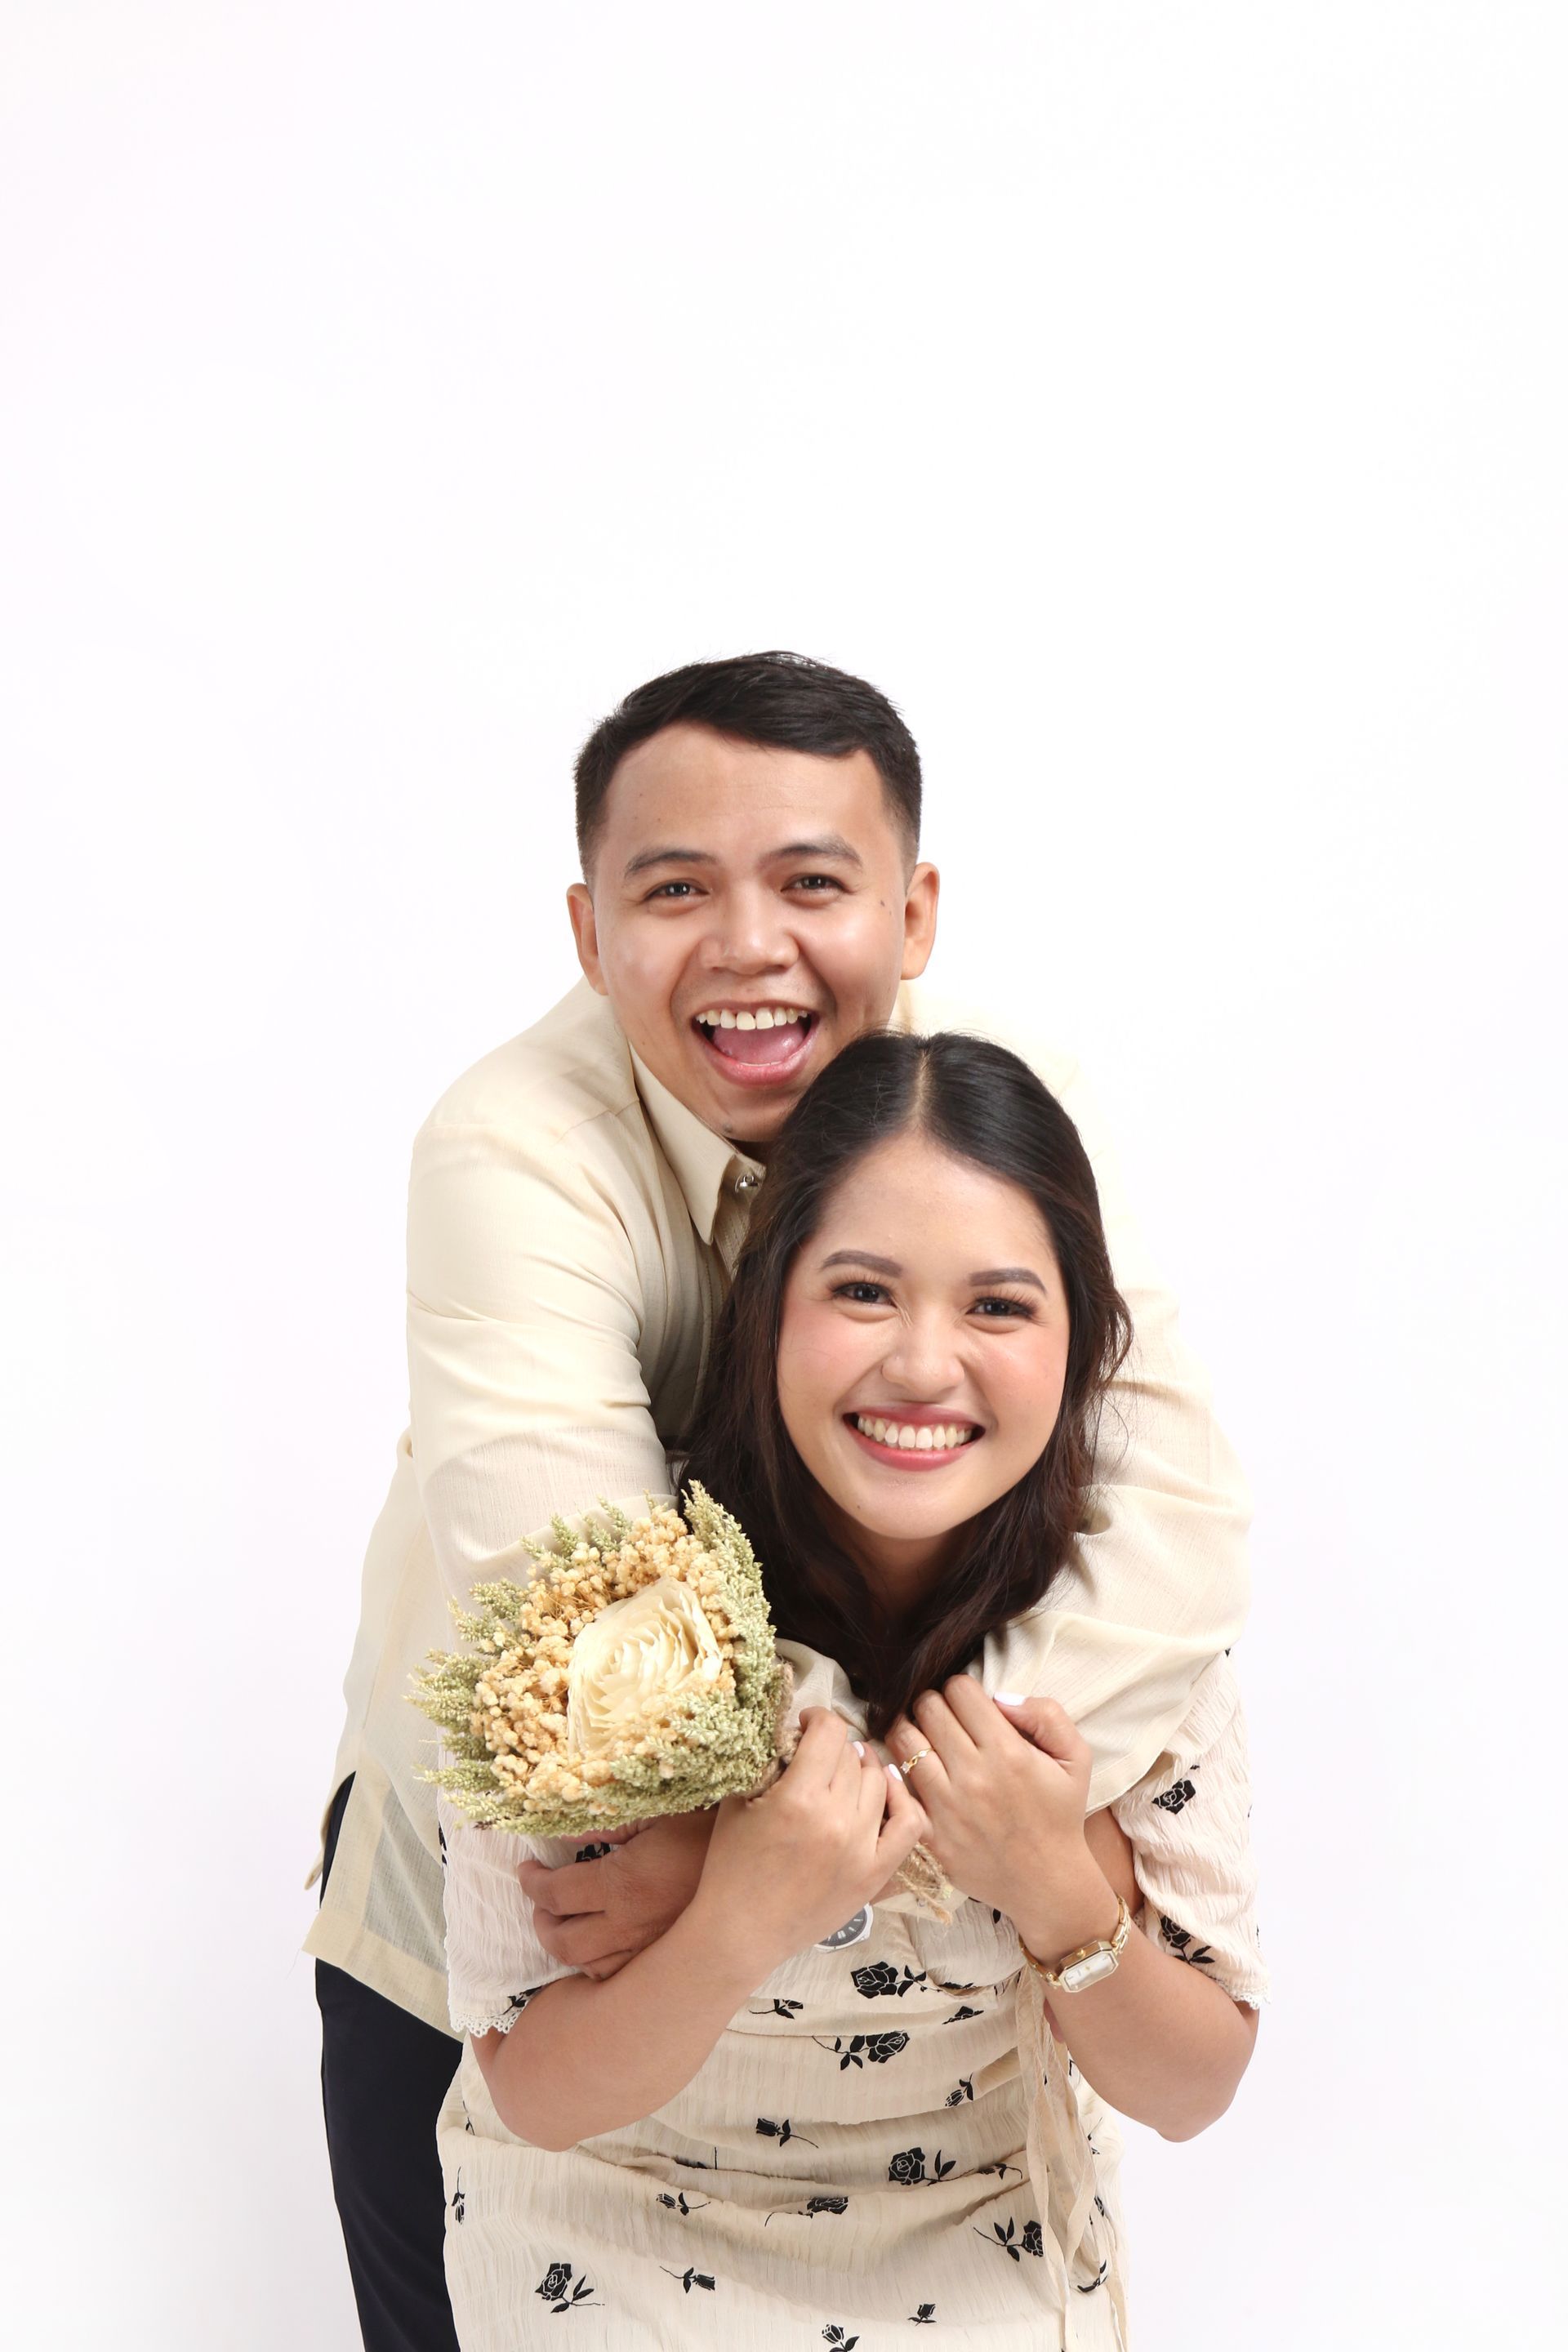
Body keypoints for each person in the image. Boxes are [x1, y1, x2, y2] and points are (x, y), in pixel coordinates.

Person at [305, 653, 1251, 2351]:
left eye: (814, 882)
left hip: (922, 2099)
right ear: (590, 931)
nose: (751, 947)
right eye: (677, 890)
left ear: (915, 913)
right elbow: (604, 1654)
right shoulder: (513, 1151)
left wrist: (878, 1846)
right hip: (531, 1899)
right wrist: (963, 1849)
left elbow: (1170, 1519)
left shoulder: (1002, 1116)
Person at [435, 1031, 1266, 2350]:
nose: (925, 1366)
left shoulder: (1128, 1626)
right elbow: (534, 2089)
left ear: (1084, 1343)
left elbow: (1193, 2090)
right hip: (614, 2230)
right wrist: (737, 1911)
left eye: (999, 1307)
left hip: (983, 2236)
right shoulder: (613, 1601)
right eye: (864, 1291)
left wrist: (1054, 1881)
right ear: (768, 1302)